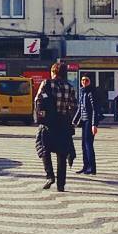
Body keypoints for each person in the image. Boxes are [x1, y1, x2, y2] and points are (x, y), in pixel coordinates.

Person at [34, 61, 77, 193]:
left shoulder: (47, 83)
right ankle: (61, 185)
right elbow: (73, 106)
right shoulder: (70, 87)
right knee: (62, 154)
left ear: (53, 72)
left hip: (49, 123)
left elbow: (37, 99)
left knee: (43, 148)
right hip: (64, 124)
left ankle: (50, 176)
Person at [73, 74, 101, 175]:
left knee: (89, 144)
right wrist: (74, 121)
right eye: (83, 80)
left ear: (90, 82)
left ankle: (92, 168)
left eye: (86, 80)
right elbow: (80, 109)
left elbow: (95, 109)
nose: (84, 82)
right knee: (83, 145)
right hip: (84, 121)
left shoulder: (91, 92)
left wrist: (94, 124)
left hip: (90, 121)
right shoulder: (82, 92)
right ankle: (85, 166)